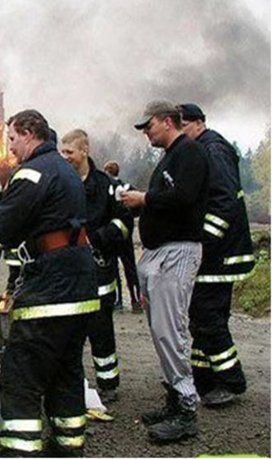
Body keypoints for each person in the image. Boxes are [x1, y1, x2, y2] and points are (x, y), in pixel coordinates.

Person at [0, 109, 99, 457]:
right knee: (66, 370)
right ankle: (69, 447)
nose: (9, 148)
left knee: (21, 373)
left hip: (50, 288)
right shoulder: (65, 170)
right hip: (81, 287)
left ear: (28, 133)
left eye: (11, 139)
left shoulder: (31, 173)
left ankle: (18, 451)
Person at [121, 100, 209, 443]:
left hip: (179, 252)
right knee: (161, 330)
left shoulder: (189, 154)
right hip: (161, 253)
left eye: (150, 125)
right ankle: (175, 398)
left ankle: (187, 410)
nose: (146, 132)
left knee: (170, 330)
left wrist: (145, 199)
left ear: (168, 121)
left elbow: (185, 197)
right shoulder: (171, 156)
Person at [179, 103, 255, 407]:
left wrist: (204, 241)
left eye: (182, 126)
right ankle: (203, 378)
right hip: (215, 255)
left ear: (198, 123)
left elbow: (224, 201)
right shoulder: (203, 149)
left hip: (220, 256)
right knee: (201, 317)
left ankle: (231, 380)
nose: (181, 133)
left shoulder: (213, 150)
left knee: (208, 318)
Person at [60, 129, 132, 404]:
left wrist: (97, 239)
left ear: (84, 151)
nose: (65, 157)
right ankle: (70, 383)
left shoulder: (107, 186)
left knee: (101, 332)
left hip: (99, 270)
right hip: (66, 272)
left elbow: (124, 223)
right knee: (67, 333)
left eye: (70, 152)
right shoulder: (59, 182)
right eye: (62, 152)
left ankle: (108, 383)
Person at [103, 160, 142, 312]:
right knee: (130, 267)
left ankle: (117, 300)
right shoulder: (128, 188)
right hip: (127, 235)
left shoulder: (107, 187)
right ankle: (135, 299)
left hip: (112, 234)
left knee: (113, 268)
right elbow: (138, 208)